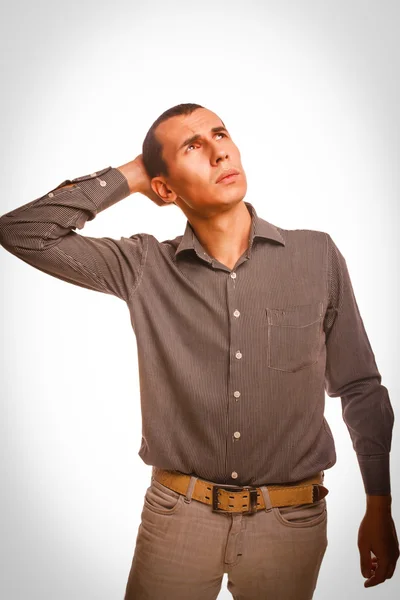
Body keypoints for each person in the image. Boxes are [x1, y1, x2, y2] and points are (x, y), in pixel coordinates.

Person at [0, 103, 398, 599]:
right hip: (177, 519)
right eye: (193, 147)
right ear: (164, 190)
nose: (219, 151)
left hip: (291, 523)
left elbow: (360, 388)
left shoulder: (317, 256)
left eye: (221, 134)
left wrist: (379, 505)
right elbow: (22, 231)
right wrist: (136, 172)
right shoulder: (143, 265)